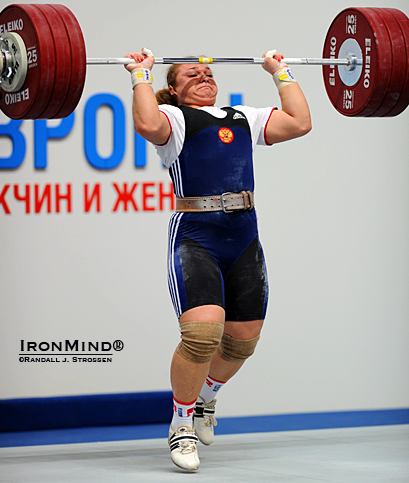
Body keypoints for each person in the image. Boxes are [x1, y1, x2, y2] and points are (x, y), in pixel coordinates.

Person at [124, 48, 311, 471]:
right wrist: (139, 74)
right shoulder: (173, 119)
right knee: (202, 336)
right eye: (192, 74)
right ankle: (182, 423)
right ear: (174, 88)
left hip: (244, 235)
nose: (204, 76)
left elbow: (299, 122)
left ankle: (207, 396)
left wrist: (278, 70)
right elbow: (145, 122)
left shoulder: (242, 116)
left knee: (242, 341)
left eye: (208, 73)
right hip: (197, 236)